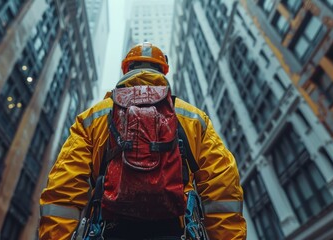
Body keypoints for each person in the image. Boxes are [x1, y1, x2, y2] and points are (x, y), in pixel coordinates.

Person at [39, 42, 247, 240]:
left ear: (127, 69)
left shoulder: (93, 117)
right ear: (163, 70)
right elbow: (222, 187)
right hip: (176, 231)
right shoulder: (191, 117)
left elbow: (63, 188)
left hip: (109, 231)